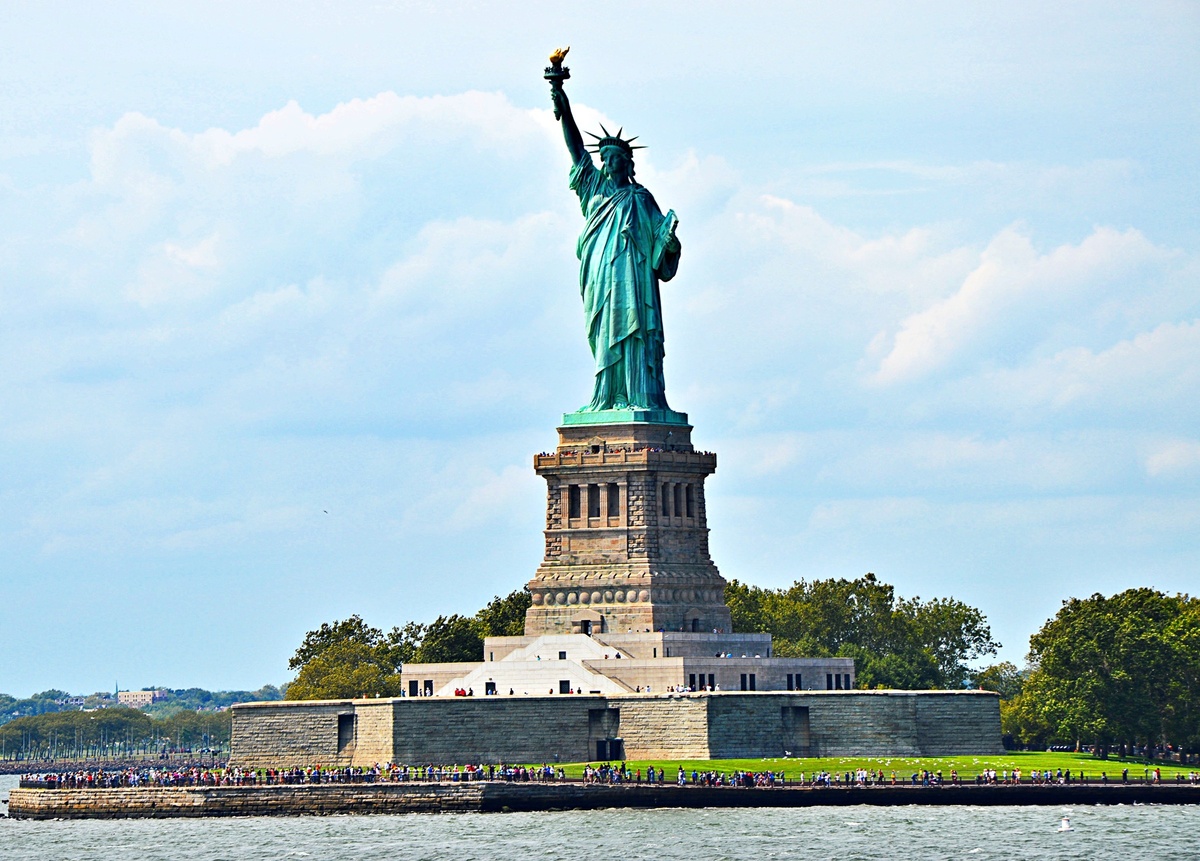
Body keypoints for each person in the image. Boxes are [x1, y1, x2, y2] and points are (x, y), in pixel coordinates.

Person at [549, 82, 681, 413]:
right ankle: (606, 395)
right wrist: (562, 103)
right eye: (604, 158)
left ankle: (638, 395)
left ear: (627, 163)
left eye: (614, 159)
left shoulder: (641, 198)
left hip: (634, 282)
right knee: (604, 332)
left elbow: (661, 246)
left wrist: (670, 242)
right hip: (599, 275)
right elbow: (575, 147)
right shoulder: (592, 186)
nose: (607, 163)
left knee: (634, 331)